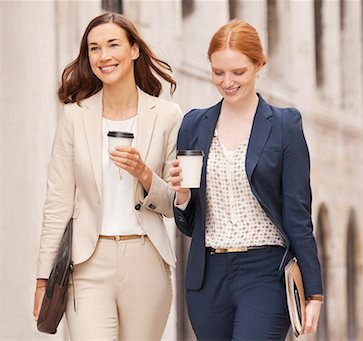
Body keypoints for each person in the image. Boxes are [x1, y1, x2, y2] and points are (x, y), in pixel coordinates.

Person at [170, 19, 323, 340]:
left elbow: (298, 214)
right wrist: (182, 195)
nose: (227, 82)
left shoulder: (285, 125)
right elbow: (189, 224)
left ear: (258, 65)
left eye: (238, 72)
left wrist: (314, 292)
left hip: (265, 272)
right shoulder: (193, 125)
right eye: (218, 72)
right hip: (207, 277)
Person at [33, 12, 182, 340]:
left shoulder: (168, 116)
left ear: (133, 50)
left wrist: (144, 174)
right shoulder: (74, 116)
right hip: (87, 265)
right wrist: (43, 278)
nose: (103, 56)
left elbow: (177, 205)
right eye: (94, 48)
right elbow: (57, 202)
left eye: (113, 45)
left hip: (147, 261)